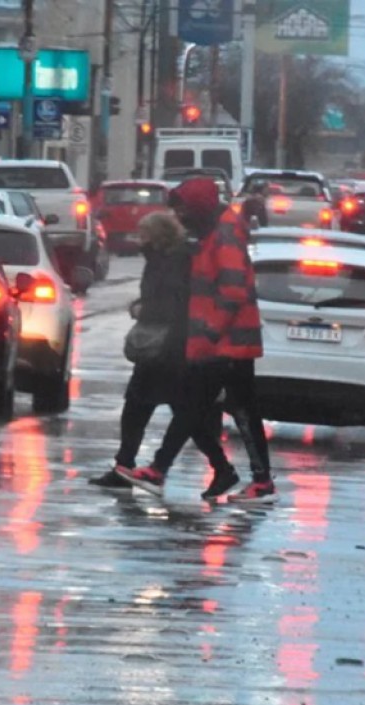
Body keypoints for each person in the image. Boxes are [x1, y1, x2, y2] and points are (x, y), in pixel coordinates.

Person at [125, 177, 275, 503]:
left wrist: (210, 330)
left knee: (210, 407)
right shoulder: (215, 231)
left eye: (183, 209)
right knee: (205, 406)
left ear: (198, 208)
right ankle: (251, 479)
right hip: (221, 342)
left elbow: (232, 290)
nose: (180, 216)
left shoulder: (224, 234)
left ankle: (162, 469)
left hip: (226, 342)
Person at [90, 211, 236, 493]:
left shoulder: (179, 260)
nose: (138, 239)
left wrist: (146, 310)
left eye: (144, 234)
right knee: (142, 405)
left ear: (160, 235)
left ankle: (218, 468)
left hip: (173, 347)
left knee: (177, 410)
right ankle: (125, 465)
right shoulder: (157, 259)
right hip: (160, 347)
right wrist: (140, 305)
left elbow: (176, 303)